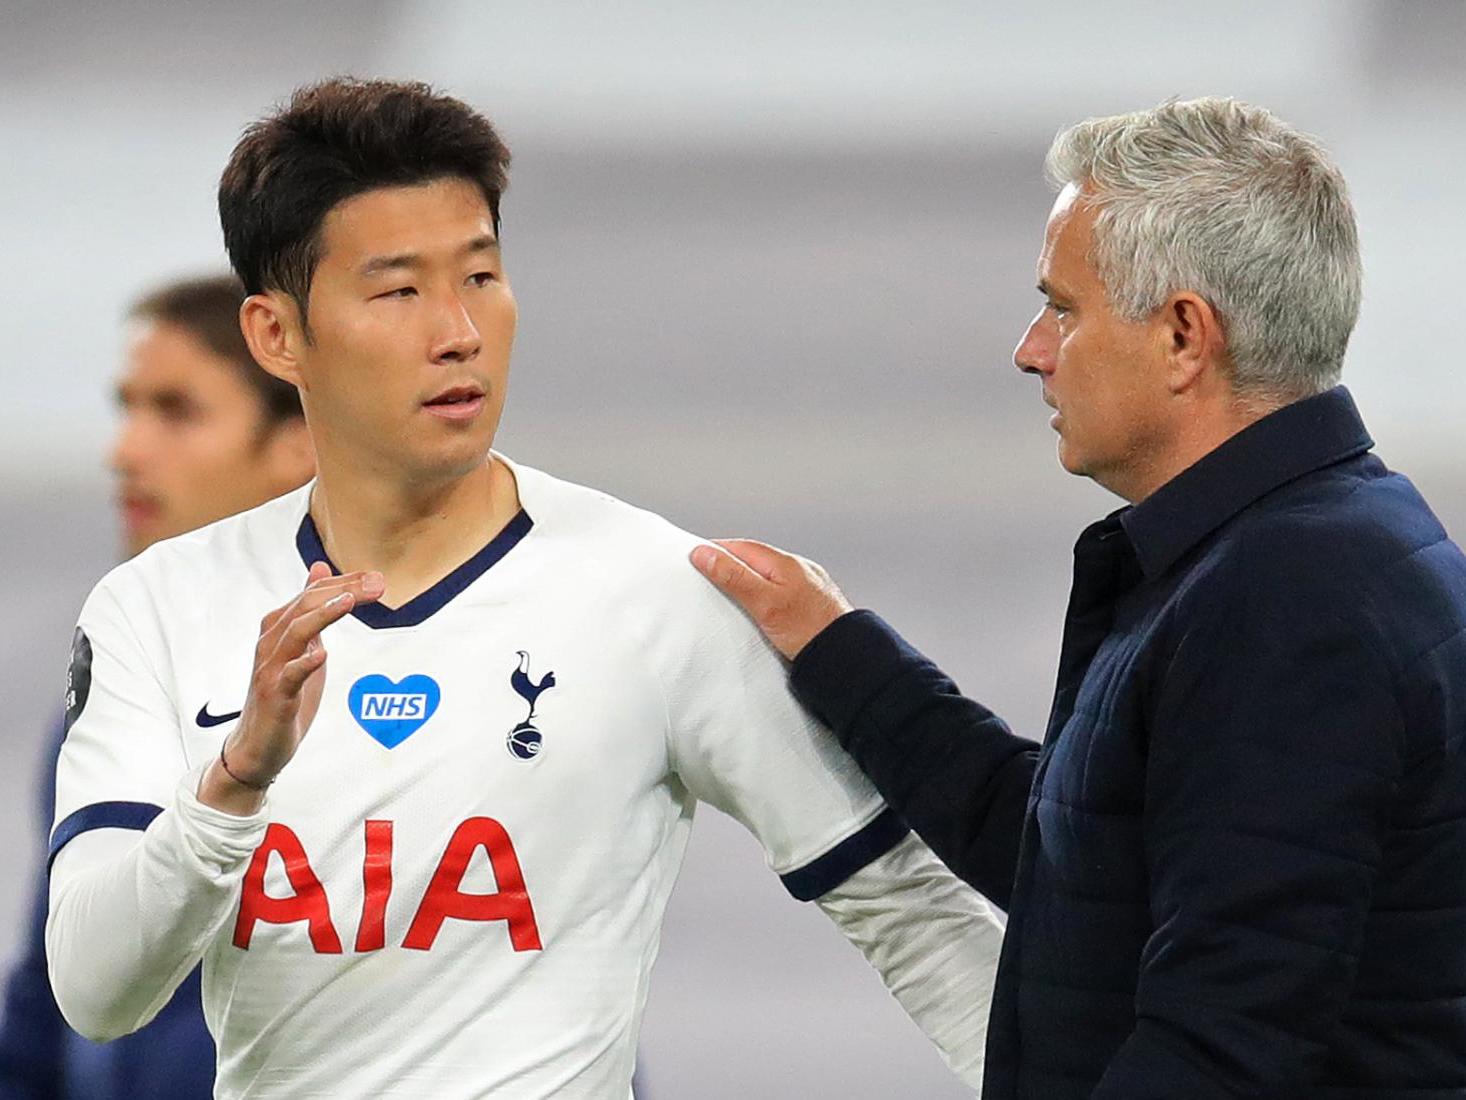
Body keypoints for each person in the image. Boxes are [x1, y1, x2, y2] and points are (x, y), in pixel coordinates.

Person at [43, 78, 1002, 1099]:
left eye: (482, 275)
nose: (458, 330)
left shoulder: (652, 590)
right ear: (278, 336)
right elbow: (95, 991)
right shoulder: (158, 607)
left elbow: (913, 911)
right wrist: (235, 779)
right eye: (398, 290)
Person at [692, 97, 1466, 1098]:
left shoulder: (1285, 601)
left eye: (1062, 308)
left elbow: (1220, 1047)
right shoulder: (1316, 545)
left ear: (1184, 335)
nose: (1030, 348)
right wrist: (841, 651)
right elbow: (1093, 871)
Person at [0, 275, 313, 1099]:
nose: (125, 451)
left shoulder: (421, 691)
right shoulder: (122, 683)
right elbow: (44, 1005)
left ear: (301, 443)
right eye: (126, 408)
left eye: (176, 411)